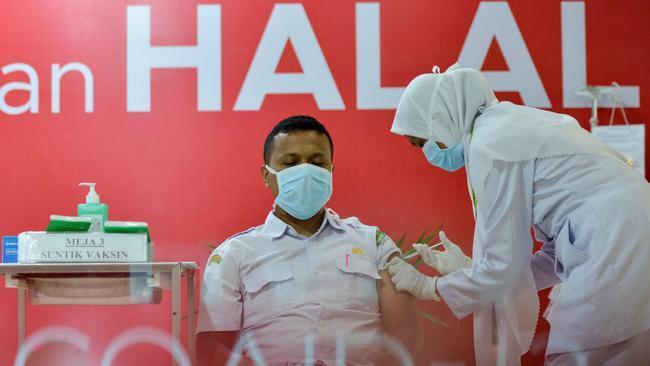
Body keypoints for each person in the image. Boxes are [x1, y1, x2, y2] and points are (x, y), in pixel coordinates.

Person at [386, 65, 650, 365]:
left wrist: (429, 287)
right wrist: (472, 270)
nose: (429, 153)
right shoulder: (510, 126)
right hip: (629, 240)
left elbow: (503, 265)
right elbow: (556, 252)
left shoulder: (492, 146)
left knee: (577, 353)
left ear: (442, 120)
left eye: (423, 142)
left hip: (614, 250)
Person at [196, 116, 419, 365]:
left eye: (317, 162)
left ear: (331, 171)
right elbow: (211, 349)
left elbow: (404, 336)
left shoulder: (373, 243)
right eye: (290, 163)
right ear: (266, 175)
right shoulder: (233, 254)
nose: (305, 171)